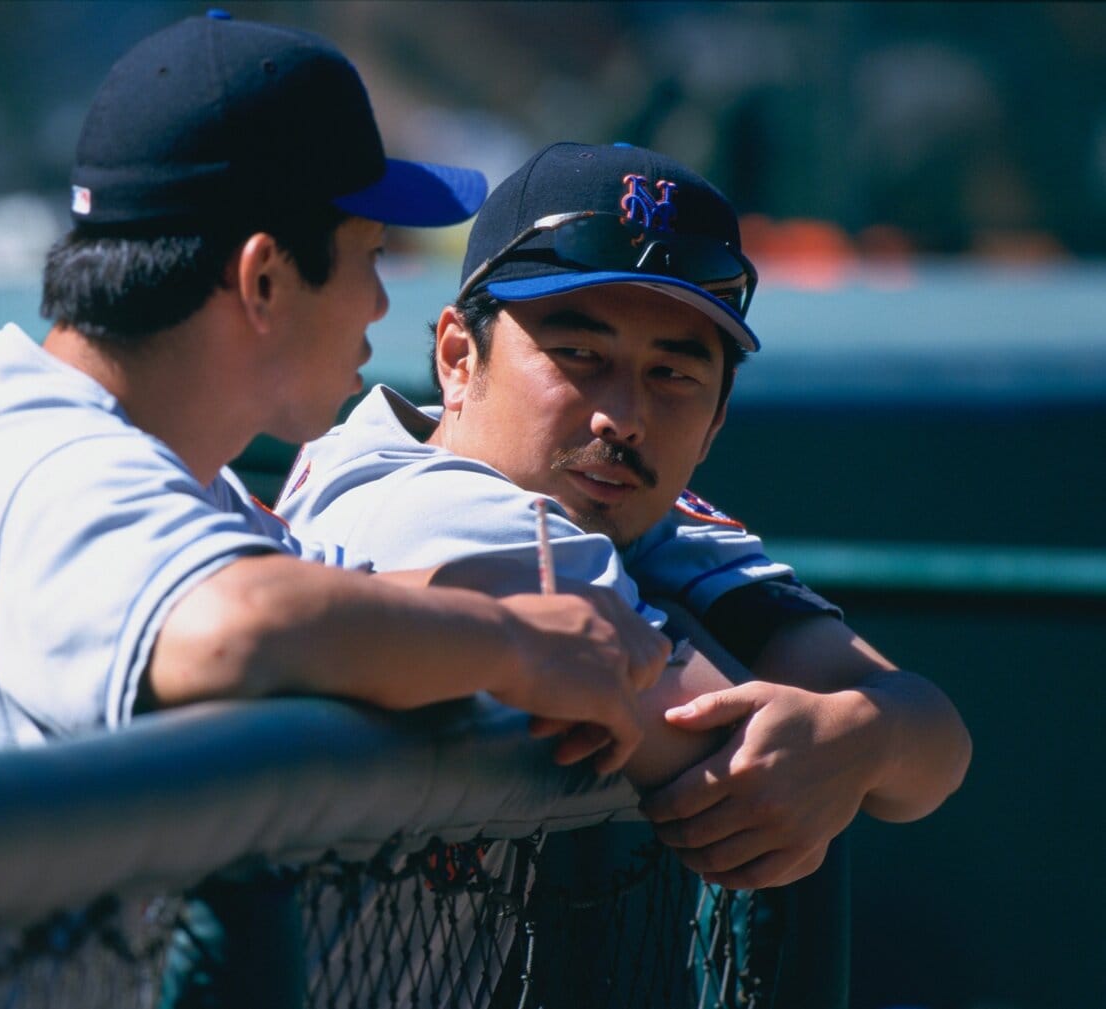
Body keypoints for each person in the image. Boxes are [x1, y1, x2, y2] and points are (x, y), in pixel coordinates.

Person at [0, 19, 677, 795]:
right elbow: (236, 630)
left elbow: (330, 589)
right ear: (263, 279)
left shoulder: (61, 421)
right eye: (368, 259)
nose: (383, 306)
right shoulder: (51, 465)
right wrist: (510, 644)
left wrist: (555, 615)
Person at [278, 141, 972, 890]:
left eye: (671, 373)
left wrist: (865, 735)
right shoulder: (429, 506)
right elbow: (732, 753)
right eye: (578, 353)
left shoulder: (619, 508)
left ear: (715, 423)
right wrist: (835, 739)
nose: (624, 417)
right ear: (456, 357)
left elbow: (933, 744)